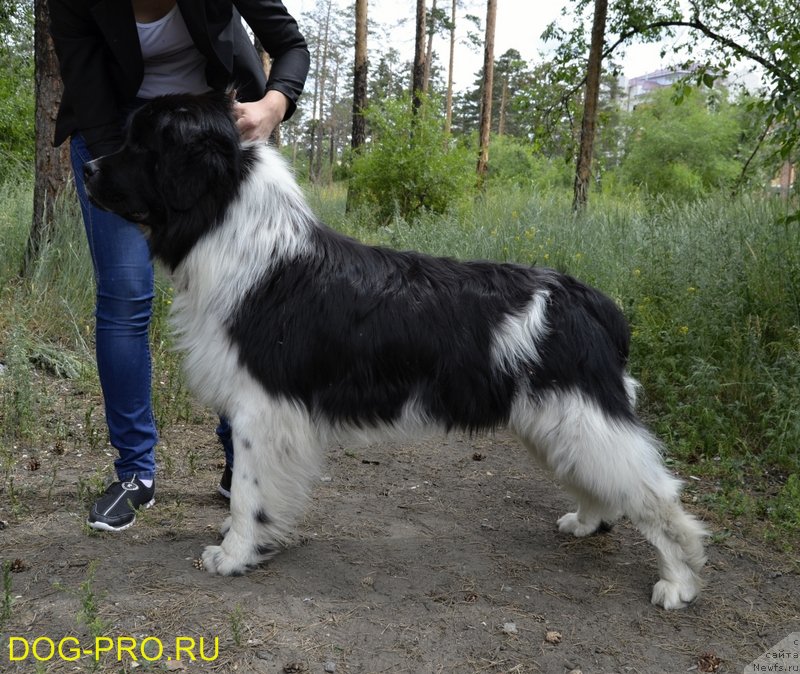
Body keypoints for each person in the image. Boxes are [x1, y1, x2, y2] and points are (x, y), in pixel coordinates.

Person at [48, 0, 310, 532]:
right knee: (125, 298)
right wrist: (137, 192)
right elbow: (95, 111)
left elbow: (290, 46)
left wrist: (273, 104)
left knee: (240, 299)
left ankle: (243, 463)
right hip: (120, 133)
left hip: (212, 138)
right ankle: (135, 473)